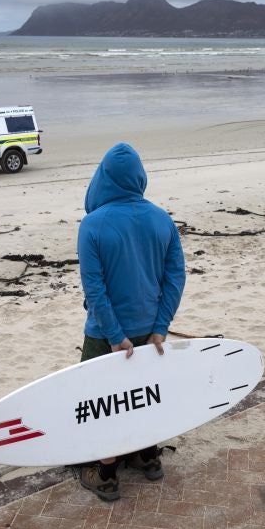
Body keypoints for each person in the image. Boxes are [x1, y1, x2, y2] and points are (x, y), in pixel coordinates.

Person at [76, 142, 186, 501]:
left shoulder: (92, 225)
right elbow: (175, 276)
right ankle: (148, 456)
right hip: (150, 332)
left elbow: (95, 290)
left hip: (107, 336)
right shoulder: (161, 218)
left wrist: (113, 336)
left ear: (103, 177)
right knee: (145, 396)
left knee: (103, 404)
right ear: (139, 177)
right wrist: (160, 326)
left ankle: (104, 474)